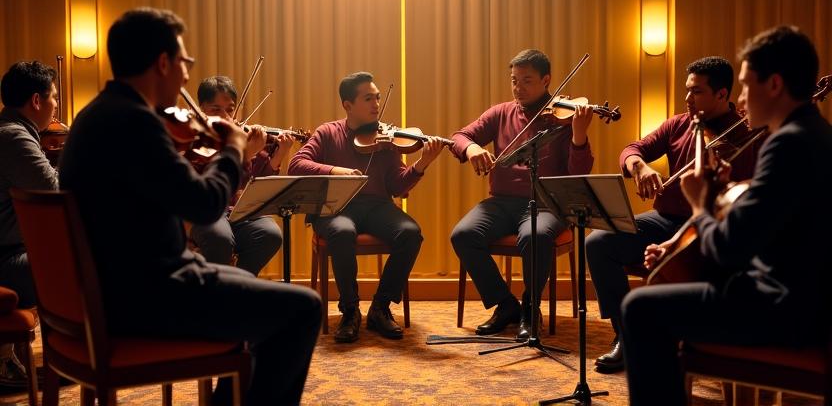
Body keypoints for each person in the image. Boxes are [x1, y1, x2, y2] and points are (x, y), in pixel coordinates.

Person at [58, 7, 321, 405]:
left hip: (116, 288)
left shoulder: (96, 116)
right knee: (303, 309)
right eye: (184, 63)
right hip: (147, 295)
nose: (185, 76)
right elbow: (205, 205)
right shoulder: (135, 124)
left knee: (263, 303)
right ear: (164, 63)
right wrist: (233, 150)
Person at [620, 26, 832, 405]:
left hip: (788, 309)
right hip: (810, 298)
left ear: (775, 85)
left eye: (746, 85)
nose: (742, 99)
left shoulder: (786, 144)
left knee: (640, 308)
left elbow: (729, 249)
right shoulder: (815, 133)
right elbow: (764, 229)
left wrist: (701, 204)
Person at [585, 56, 759, 373]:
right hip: (665, 220)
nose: (688, 98)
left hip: (710, 227)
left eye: (697, 92)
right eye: (687, 90)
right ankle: (624, 334)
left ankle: (691, 339)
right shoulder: (678, 124)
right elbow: (632, 149)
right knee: (599, 241)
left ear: (722, 94)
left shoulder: (748, 133)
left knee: (693, 265)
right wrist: (639, 167)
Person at [288, 71, 444, 343]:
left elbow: (397, 186)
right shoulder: (328, 133)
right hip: (336, 206)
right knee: (342, 232)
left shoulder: (386, 138)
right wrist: (336, 171)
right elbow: (296, 165)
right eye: (368, 98)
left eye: (378, 98)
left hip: (376, 206)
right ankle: (350, 310)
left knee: (410, 233)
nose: (376, 104)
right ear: (348, 105)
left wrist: (422, 164)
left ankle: (380, 307)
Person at [449, 49, 594, 339]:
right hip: (502, 202)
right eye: (514, 80)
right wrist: (472, 148)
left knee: (535, 236)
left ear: (546, 80)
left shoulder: (563, 119)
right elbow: (459, 137)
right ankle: (505, 305)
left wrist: (579, 134)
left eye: (526, 81)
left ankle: (530, 306)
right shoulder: (501, 112)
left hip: (547, 203)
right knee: (463, 235)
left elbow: (578, 173)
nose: (518, 88)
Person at [188, 75, 293, 275]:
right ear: (200, 109)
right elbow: (206, 185)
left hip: (237, 211)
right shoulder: (192, 139)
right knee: (220, 239)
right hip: (208, 209)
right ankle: (218, 288)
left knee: (270, 234)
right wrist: (243, 154)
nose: (225, 117)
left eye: (230, 109)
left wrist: (280, 153)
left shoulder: (238, 135)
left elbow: (257, 181)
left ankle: (239, 281)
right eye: (215, 110)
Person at [0, 61, 60, 386]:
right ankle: (71, 357)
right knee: (85, 265)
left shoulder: (11, 131)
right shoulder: (13, 137)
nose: (56, 106)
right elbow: (54, 192)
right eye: (54, 97)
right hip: (5, 262)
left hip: (9, 253)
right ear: (36, 100)